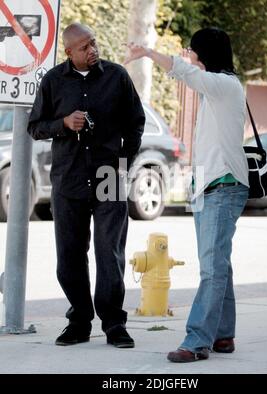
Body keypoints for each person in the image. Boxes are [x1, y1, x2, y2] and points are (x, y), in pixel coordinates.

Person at [124, 27, 249, 362]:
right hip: (210, 187)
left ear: (204, 54)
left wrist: (150, 53)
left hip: (223, 186)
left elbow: (185, 71)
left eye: (192, 50)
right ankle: (223, 334)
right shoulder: (216, 91)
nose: (188, 54)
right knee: (219, 264)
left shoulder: (223, 85)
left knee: (211, 267)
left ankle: (197, 341)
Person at [28, 23, 145, 348]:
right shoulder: (53, 81)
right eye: (84, 47)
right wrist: (63, 124)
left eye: (93, 43)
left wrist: (123, 162)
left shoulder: (117, 77)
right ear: (69, 52)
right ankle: (79, 322)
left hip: (110, 177)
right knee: (69, 255)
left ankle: (114, 325)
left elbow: (136, 122)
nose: (92, 50)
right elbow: (35, 127)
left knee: (110, 253)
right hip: (68, 181)